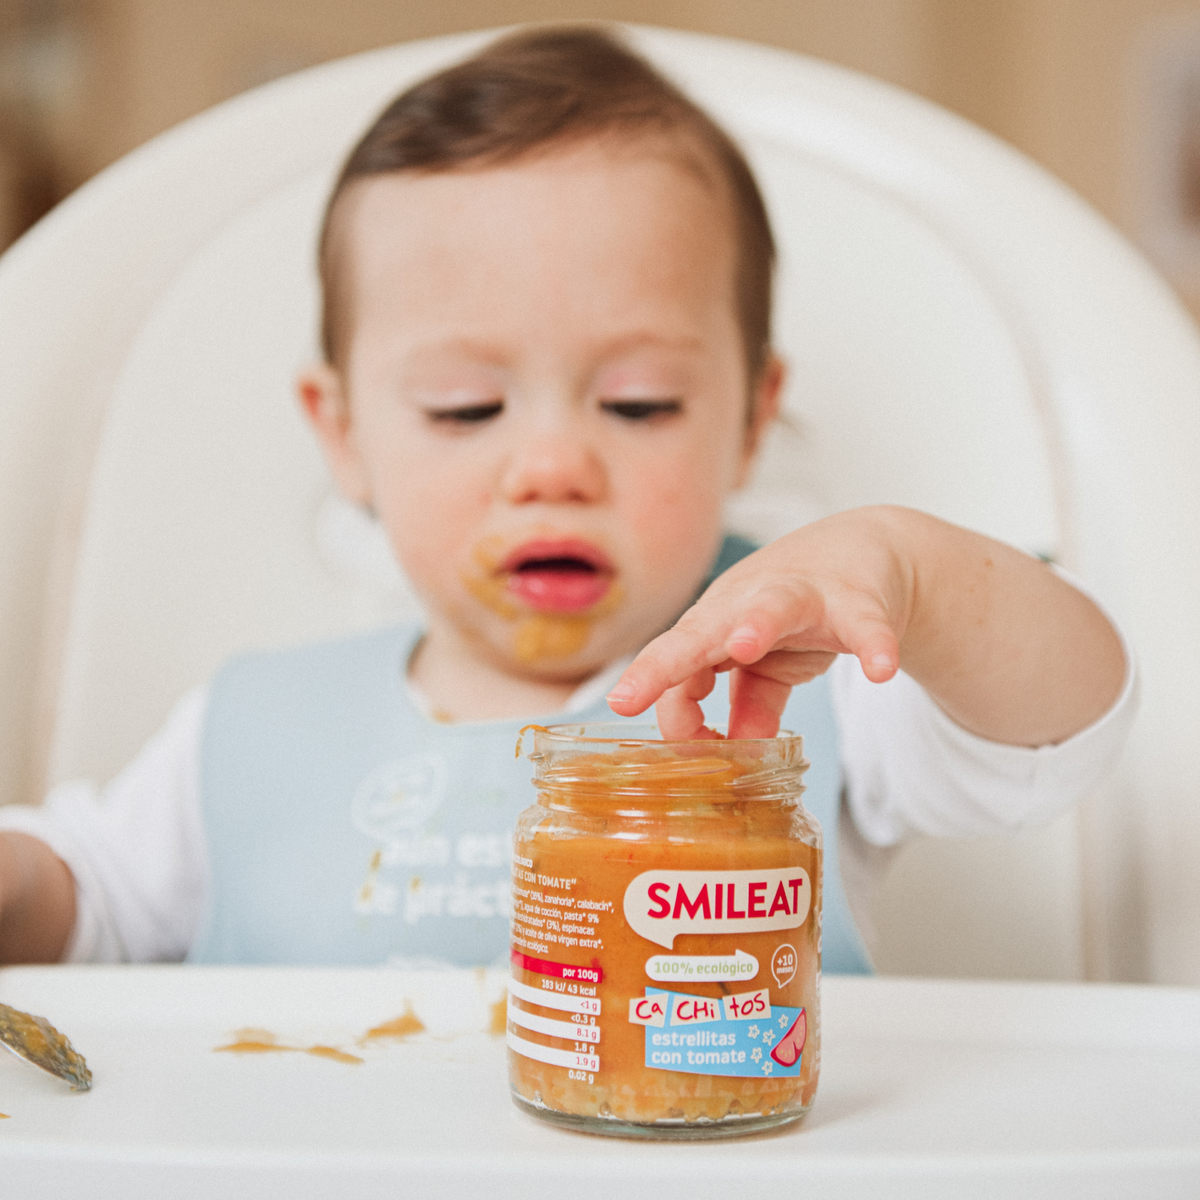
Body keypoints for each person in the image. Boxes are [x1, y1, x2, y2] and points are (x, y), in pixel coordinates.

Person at [0, 26, 1133, 970]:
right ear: (343, 435)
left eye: (637, 405)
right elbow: (87, 906)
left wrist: (910, 571)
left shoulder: (798, 694)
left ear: (749, 418)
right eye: (462, 408)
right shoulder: (249, 733)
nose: (552, 465)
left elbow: (1063, 727)